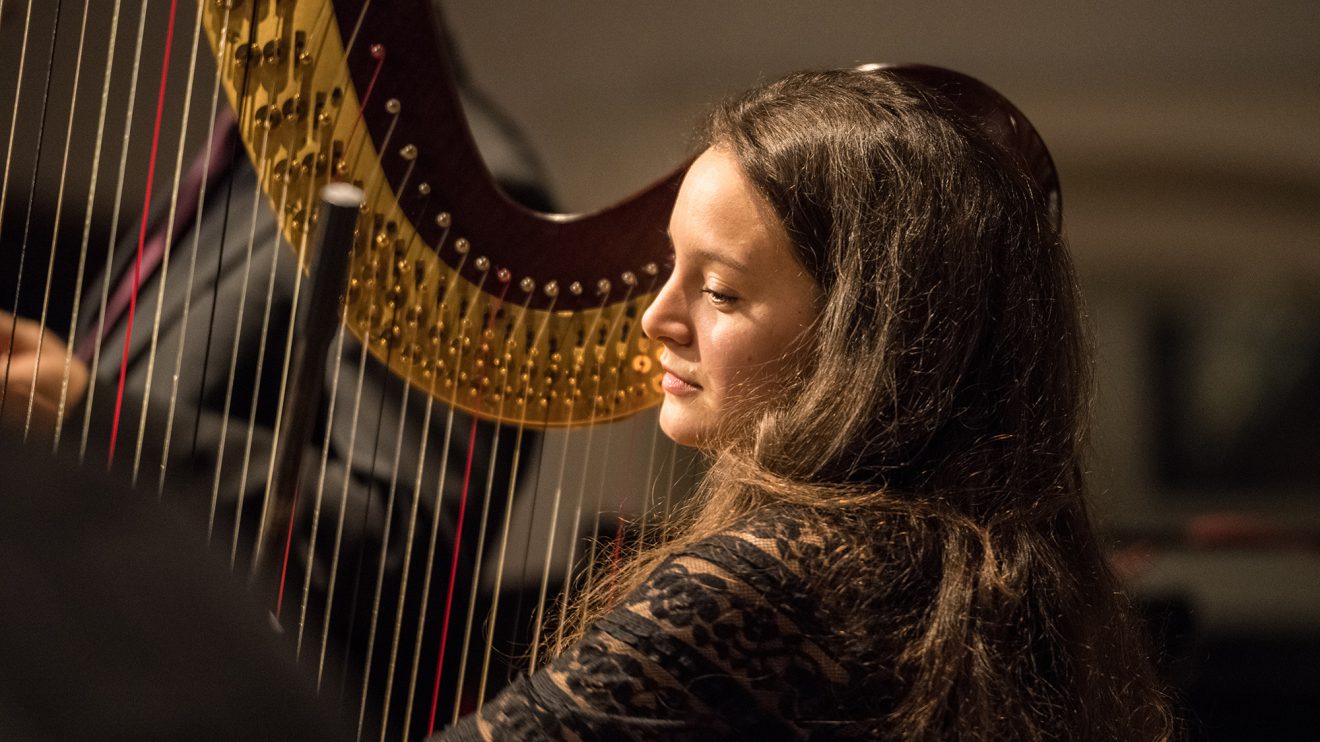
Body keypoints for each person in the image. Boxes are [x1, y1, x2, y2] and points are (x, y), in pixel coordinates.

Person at [435, 67, 1174, 740]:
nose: (654, 317)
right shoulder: (991, 569)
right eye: (669, 267)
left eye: (719, 290)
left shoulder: (767, 581)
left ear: (867, 339)